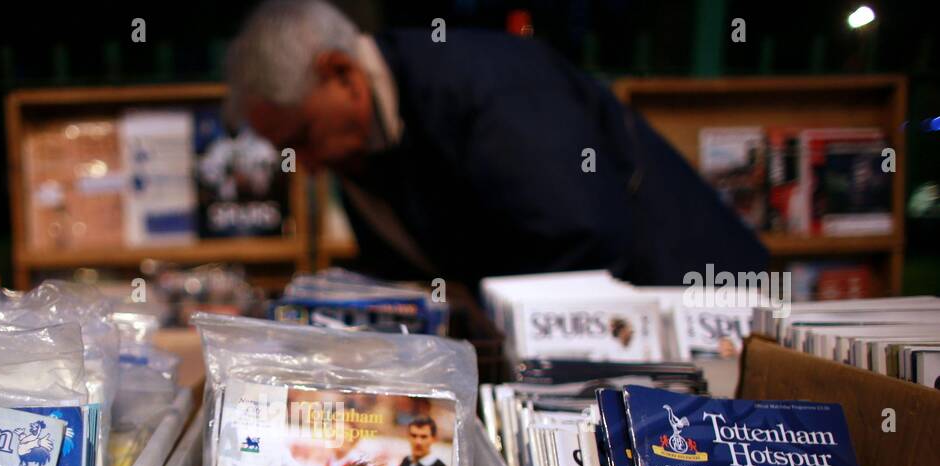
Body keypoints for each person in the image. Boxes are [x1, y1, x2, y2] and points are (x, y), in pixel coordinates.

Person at [225, 1, 769, 289]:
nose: (310, 165)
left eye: (302, 139)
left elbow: (580, 234)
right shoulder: (364, 145)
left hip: (700, 306)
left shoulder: (484, 86)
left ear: (342, 73)